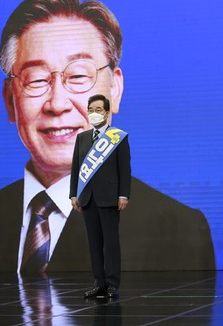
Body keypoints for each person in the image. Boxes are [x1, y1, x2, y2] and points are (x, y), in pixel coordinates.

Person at [0, 0, 215, 274]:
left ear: (114, 89)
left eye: (78, 76)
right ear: (10, 100)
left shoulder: (178, 231)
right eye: (36, 79)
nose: (57, 103)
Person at [70, 94, 130, 298]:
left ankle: (113, 283)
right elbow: (76, 169)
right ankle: (99, 283)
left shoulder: (118, 137)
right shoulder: (82, 138)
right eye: (91, 110)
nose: (94, 114)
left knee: (110, 242)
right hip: (87, 197)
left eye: (98, 110)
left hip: (110, 197)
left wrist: (123, 195)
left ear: (106, 112)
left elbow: (124, 169)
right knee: (94, 242)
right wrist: (73, 194)